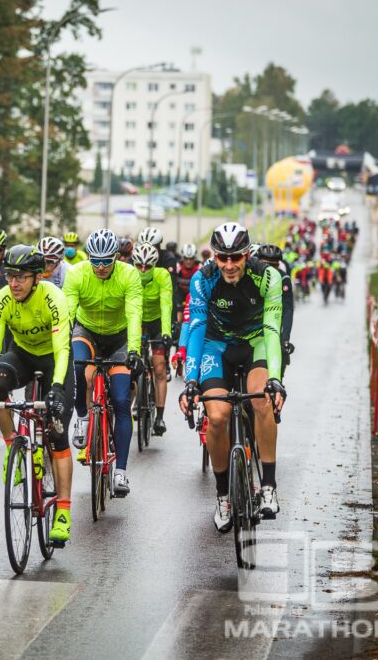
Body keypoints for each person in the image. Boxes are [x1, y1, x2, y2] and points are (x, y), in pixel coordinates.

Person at [179, 222, 286, 532]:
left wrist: (275, 378)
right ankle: (223, 495)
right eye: (222, 257)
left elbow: (271, 330)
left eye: (235, 257)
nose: (228, 265)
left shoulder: (267, 277)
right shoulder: (204, 279)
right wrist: (190, 380)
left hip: (255, 343)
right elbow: (197, 328)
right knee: (216, 415)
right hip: (217, 345)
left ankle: (268, 485)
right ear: (214, 256)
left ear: (247, 254)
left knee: (261, 400)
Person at [0, 245, 75, 542]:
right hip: (23, 356)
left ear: (37, 278)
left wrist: (55, 389)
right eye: (10, 275)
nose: (14, 283)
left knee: (57, 435)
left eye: (22, 277)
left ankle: (63, 511)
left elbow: (63, 347)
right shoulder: (2, 299)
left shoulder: (54, 297)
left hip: (55, 360)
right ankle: (12, 442)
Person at [64, 229, 143, 496]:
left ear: (116, 258)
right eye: (94, 261)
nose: (99, 267)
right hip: (87, 332)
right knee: (76, 367)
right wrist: (61, 345)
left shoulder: (129, 274)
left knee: (121, 400)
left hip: (119, 338)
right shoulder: (77, 274)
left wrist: (134, 349)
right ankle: (83, 418)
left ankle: (120, 472)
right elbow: (68, 313)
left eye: (106, 261)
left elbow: (134, 314)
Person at [132, 243, 173, 435]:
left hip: (157, 322)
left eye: (147, 266)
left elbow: (166, 305)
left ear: (154, 265)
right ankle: (132, 401)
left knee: (159, 368)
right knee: (130, 365)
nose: (143, 270)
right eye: (139, 265)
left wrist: (166, 333)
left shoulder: (162, 275)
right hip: (137, 321)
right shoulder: (130, 275)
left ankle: (160, 417)